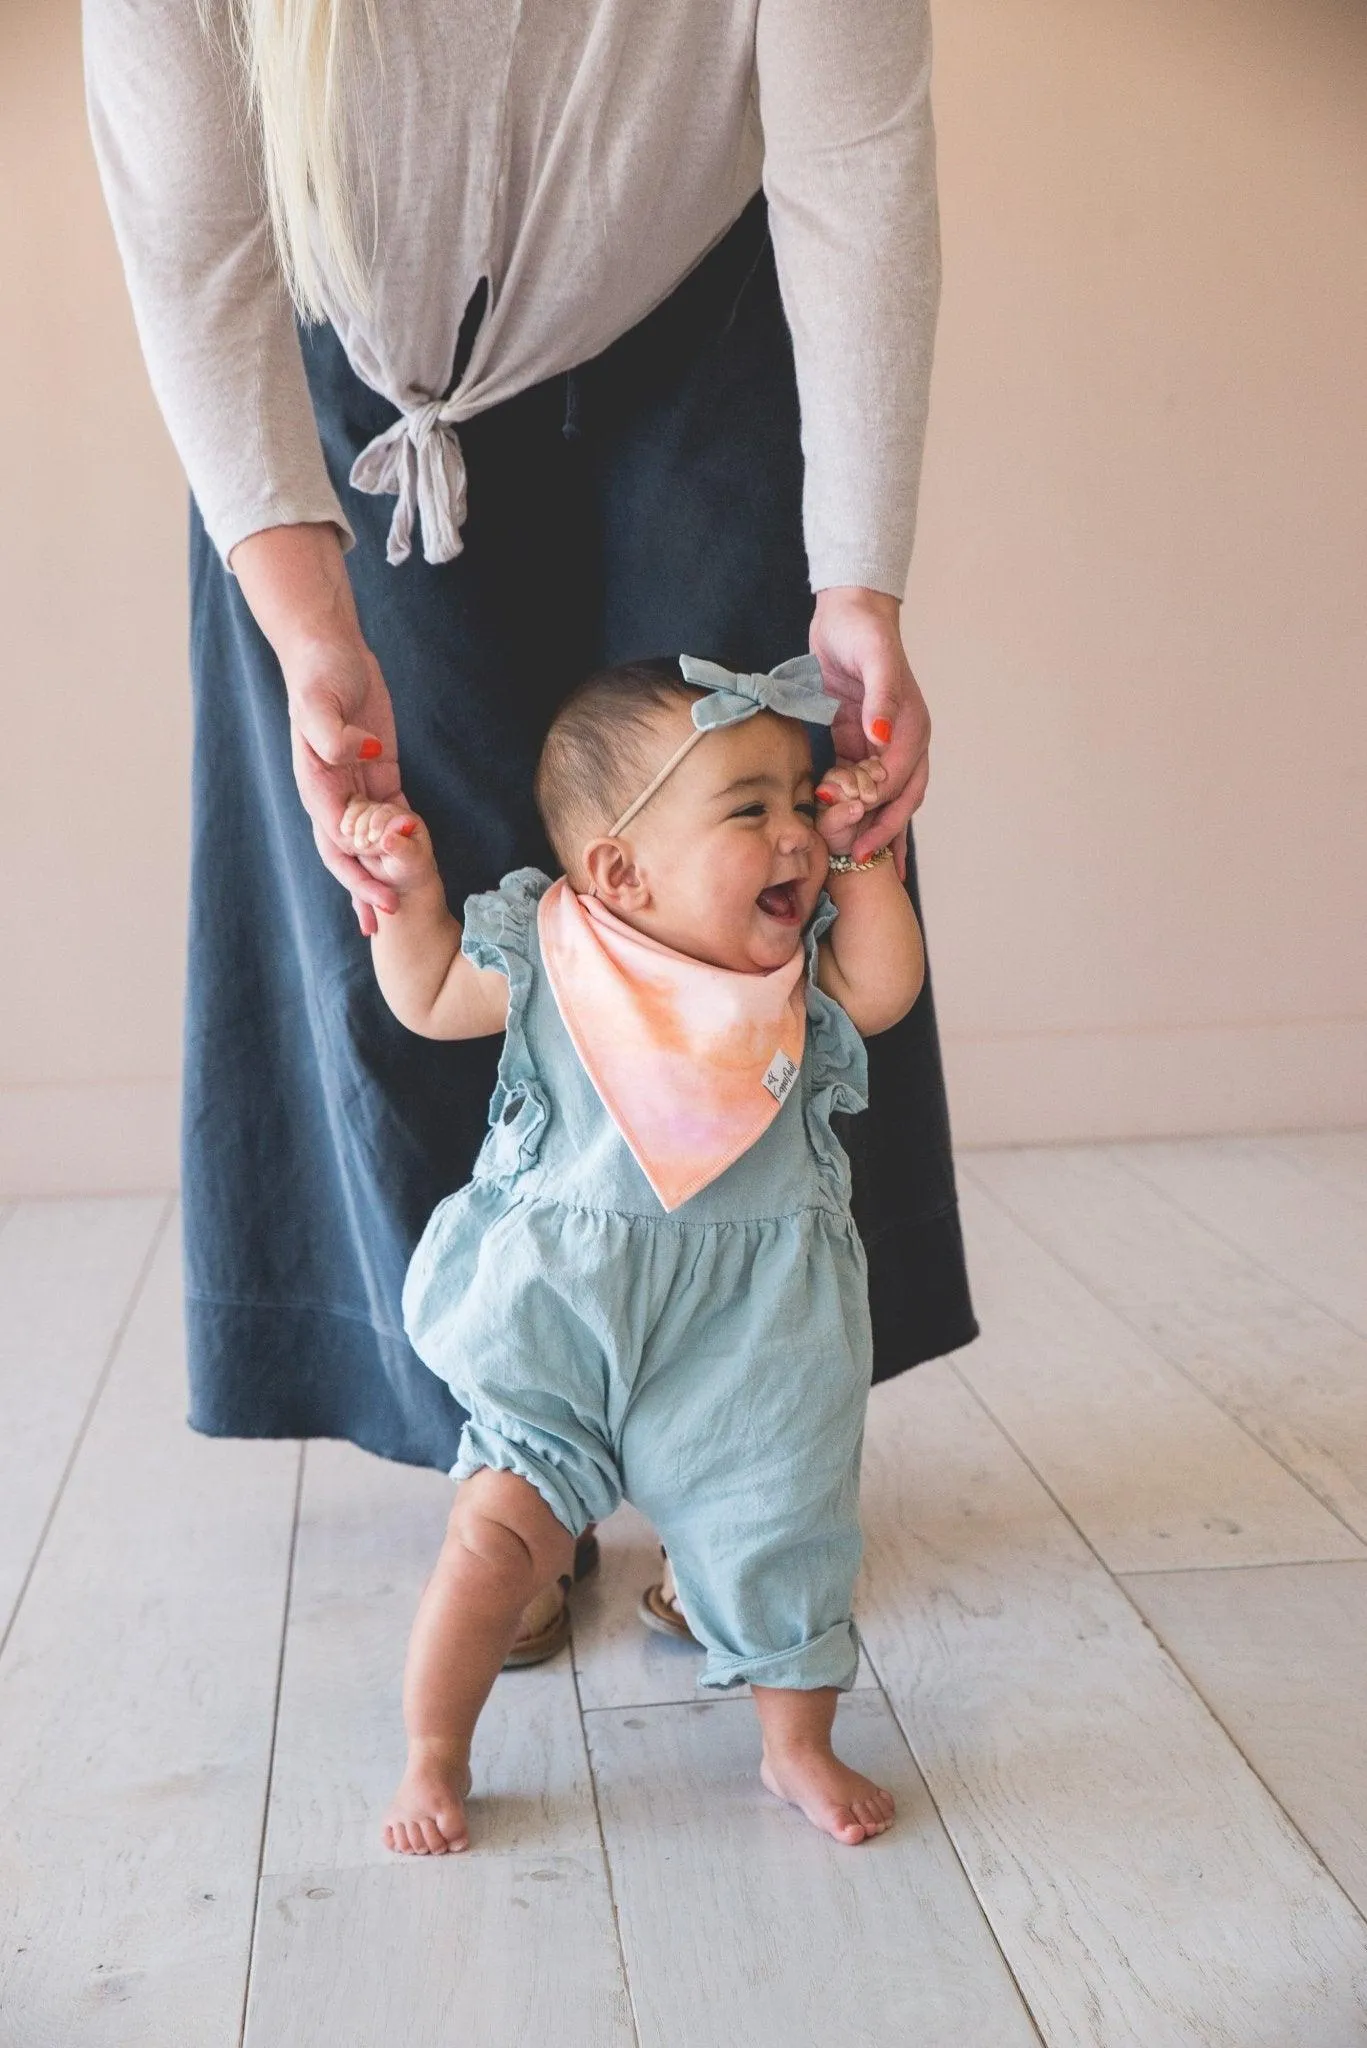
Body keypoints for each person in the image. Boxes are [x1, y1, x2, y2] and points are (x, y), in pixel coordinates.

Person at [84, 0, 976, 1658]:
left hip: (697, 298)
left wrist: (858, 578)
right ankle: (516, 1457)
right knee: (408, 857)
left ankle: (744, 1445)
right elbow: (194, 235)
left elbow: (856, 148)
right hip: (354, 334)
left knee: (754, 837)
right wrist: (306, 627)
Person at [339, 654, 923, 1852]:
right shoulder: (558, 954)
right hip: (560, 1321)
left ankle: (793, 1743)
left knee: (784, 1531)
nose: (794, 831)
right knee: (492, 1534)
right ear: (617, 869)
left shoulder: (796, 971)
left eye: (800, 799)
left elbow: (885, 990)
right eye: (747, 808)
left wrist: (867, 855)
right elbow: (432, 992)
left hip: (754, 1331)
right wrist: (404, 892)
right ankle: (434, 1751)